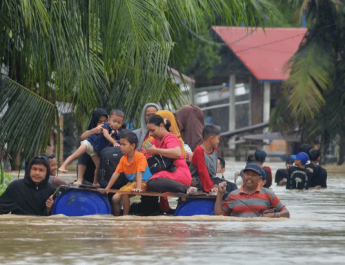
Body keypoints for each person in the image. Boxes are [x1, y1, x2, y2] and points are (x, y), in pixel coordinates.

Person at [59, 110, 124, 186]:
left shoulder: (117, 133)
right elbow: (104, 134)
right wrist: (113, 141)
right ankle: (63, 166)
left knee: (99, 165)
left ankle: (95, 182)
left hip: (96, 150)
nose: (116, 124)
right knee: (77, 154)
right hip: (89, 143)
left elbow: (119, 141)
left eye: (118, 123)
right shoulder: (105, 126)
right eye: (99, 121)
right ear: (109, 121)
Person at [214, 163, 290, 218]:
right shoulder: (232, 195)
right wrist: (220, 193)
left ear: (260, 179)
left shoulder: (268, 194)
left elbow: (286, 213)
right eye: (247, 174)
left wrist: (273, 215)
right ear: (243, 176)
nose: (249, 177)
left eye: (253, 175)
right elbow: (219, 217)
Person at [145, 114, 196, 194]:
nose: (151, 134)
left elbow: (177, 153)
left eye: (153, 130)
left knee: (152, 183)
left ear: (161, 126)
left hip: (178, 172)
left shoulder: (170, 138)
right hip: (165, 173)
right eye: (149, 131)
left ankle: (186, 188)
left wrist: (156, 150)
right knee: (146, 181)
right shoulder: (154, 141)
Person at [105, 131, 152, 215]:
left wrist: (138, 187)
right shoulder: (123, 159)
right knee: (115, 199)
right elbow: (116, 173)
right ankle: (117, 217)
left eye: (124, 145)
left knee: (125, 193)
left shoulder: (140, 156)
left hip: (143, 183)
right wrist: (107, 188)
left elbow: (139, 173)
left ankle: (125, 217)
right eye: (121, 144)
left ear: (133, 146)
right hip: (132, 184)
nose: (121, 147)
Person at [190, 125, 237, 194]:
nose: (218, 141)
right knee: (225, 190)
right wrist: (210, 187)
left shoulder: (215, 150)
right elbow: (202, 171)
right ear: (211, 139)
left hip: (212, 179)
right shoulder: (199, 150)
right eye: (218, 139)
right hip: (198, 179)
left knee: (232, 186)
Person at [76, 108, 109, 185]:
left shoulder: (110, 130)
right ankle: (80, 179)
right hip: (89, 166)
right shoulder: (91, 130)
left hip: (102, 165)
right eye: (100, 122)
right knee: (85, 149)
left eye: (105, 121)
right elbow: (82, 137)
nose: (102, 124)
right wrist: (93, 131)